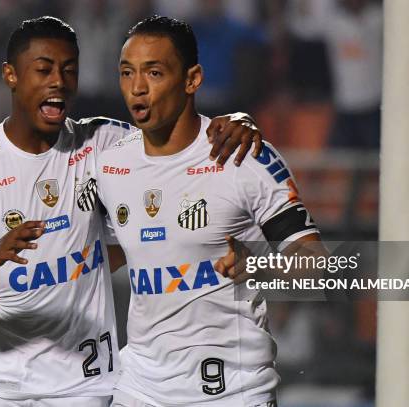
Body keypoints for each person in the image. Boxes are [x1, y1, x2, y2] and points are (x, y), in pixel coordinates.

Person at [0, 16, 264, 407]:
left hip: (86, 388)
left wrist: (239, 120)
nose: (58, 81)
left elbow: (179, 139)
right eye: (43, 69)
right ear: (10, 75)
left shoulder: (105, 144)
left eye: (69, 69)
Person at [95, 16, 321, 406]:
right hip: (141, 387)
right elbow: (100, 251)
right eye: (127, 72)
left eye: (154, 72)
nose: (137, 88)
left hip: (233, 390)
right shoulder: (109, 163)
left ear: (192, 79)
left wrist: (259, 267)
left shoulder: (243, 156)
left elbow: (315, 264)